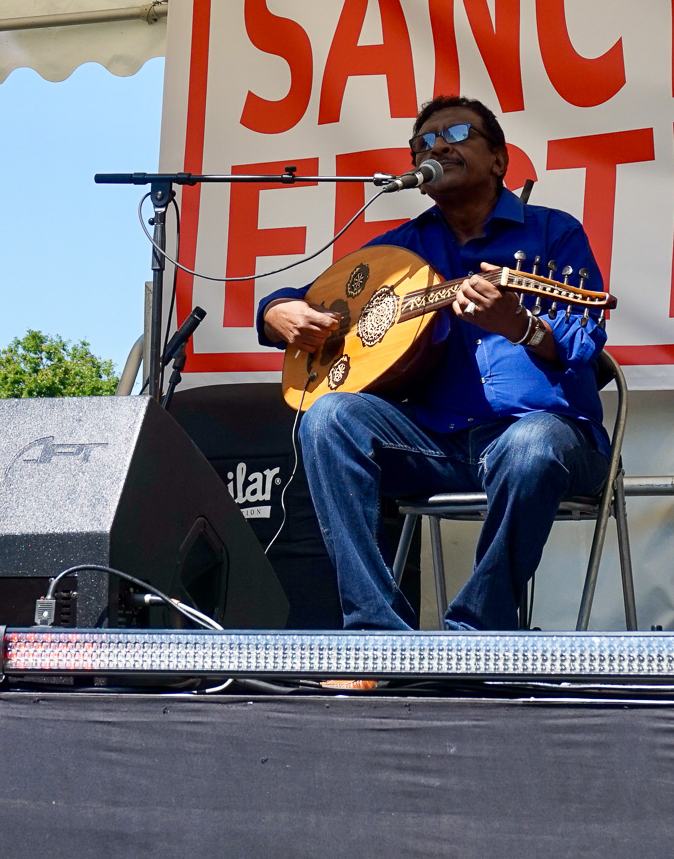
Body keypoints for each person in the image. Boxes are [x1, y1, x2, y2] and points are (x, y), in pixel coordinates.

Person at [257, 96, 610, 631]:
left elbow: (584, 343)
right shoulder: (401, 250)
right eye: (423, 142)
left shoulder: (552, 234)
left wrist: (521, 326)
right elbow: (312, 298)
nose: (438, 146)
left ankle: (476, 633)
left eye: (458, 133)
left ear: (499, 159)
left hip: (545, 440)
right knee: (328, 417)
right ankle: (377, 632)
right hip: (435, 444)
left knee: (531, 444)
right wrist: (276, 311)